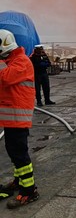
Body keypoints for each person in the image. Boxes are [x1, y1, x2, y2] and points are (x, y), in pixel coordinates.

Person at [0, 29, 39, 209]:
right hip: (11, 117)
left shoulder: (21, 62)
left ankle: (29, 191)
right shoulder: (12, 61)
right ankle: (18, 181)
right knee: (13, 149)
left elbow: (5, 78)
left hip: (18, 117)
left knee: (19, 153)